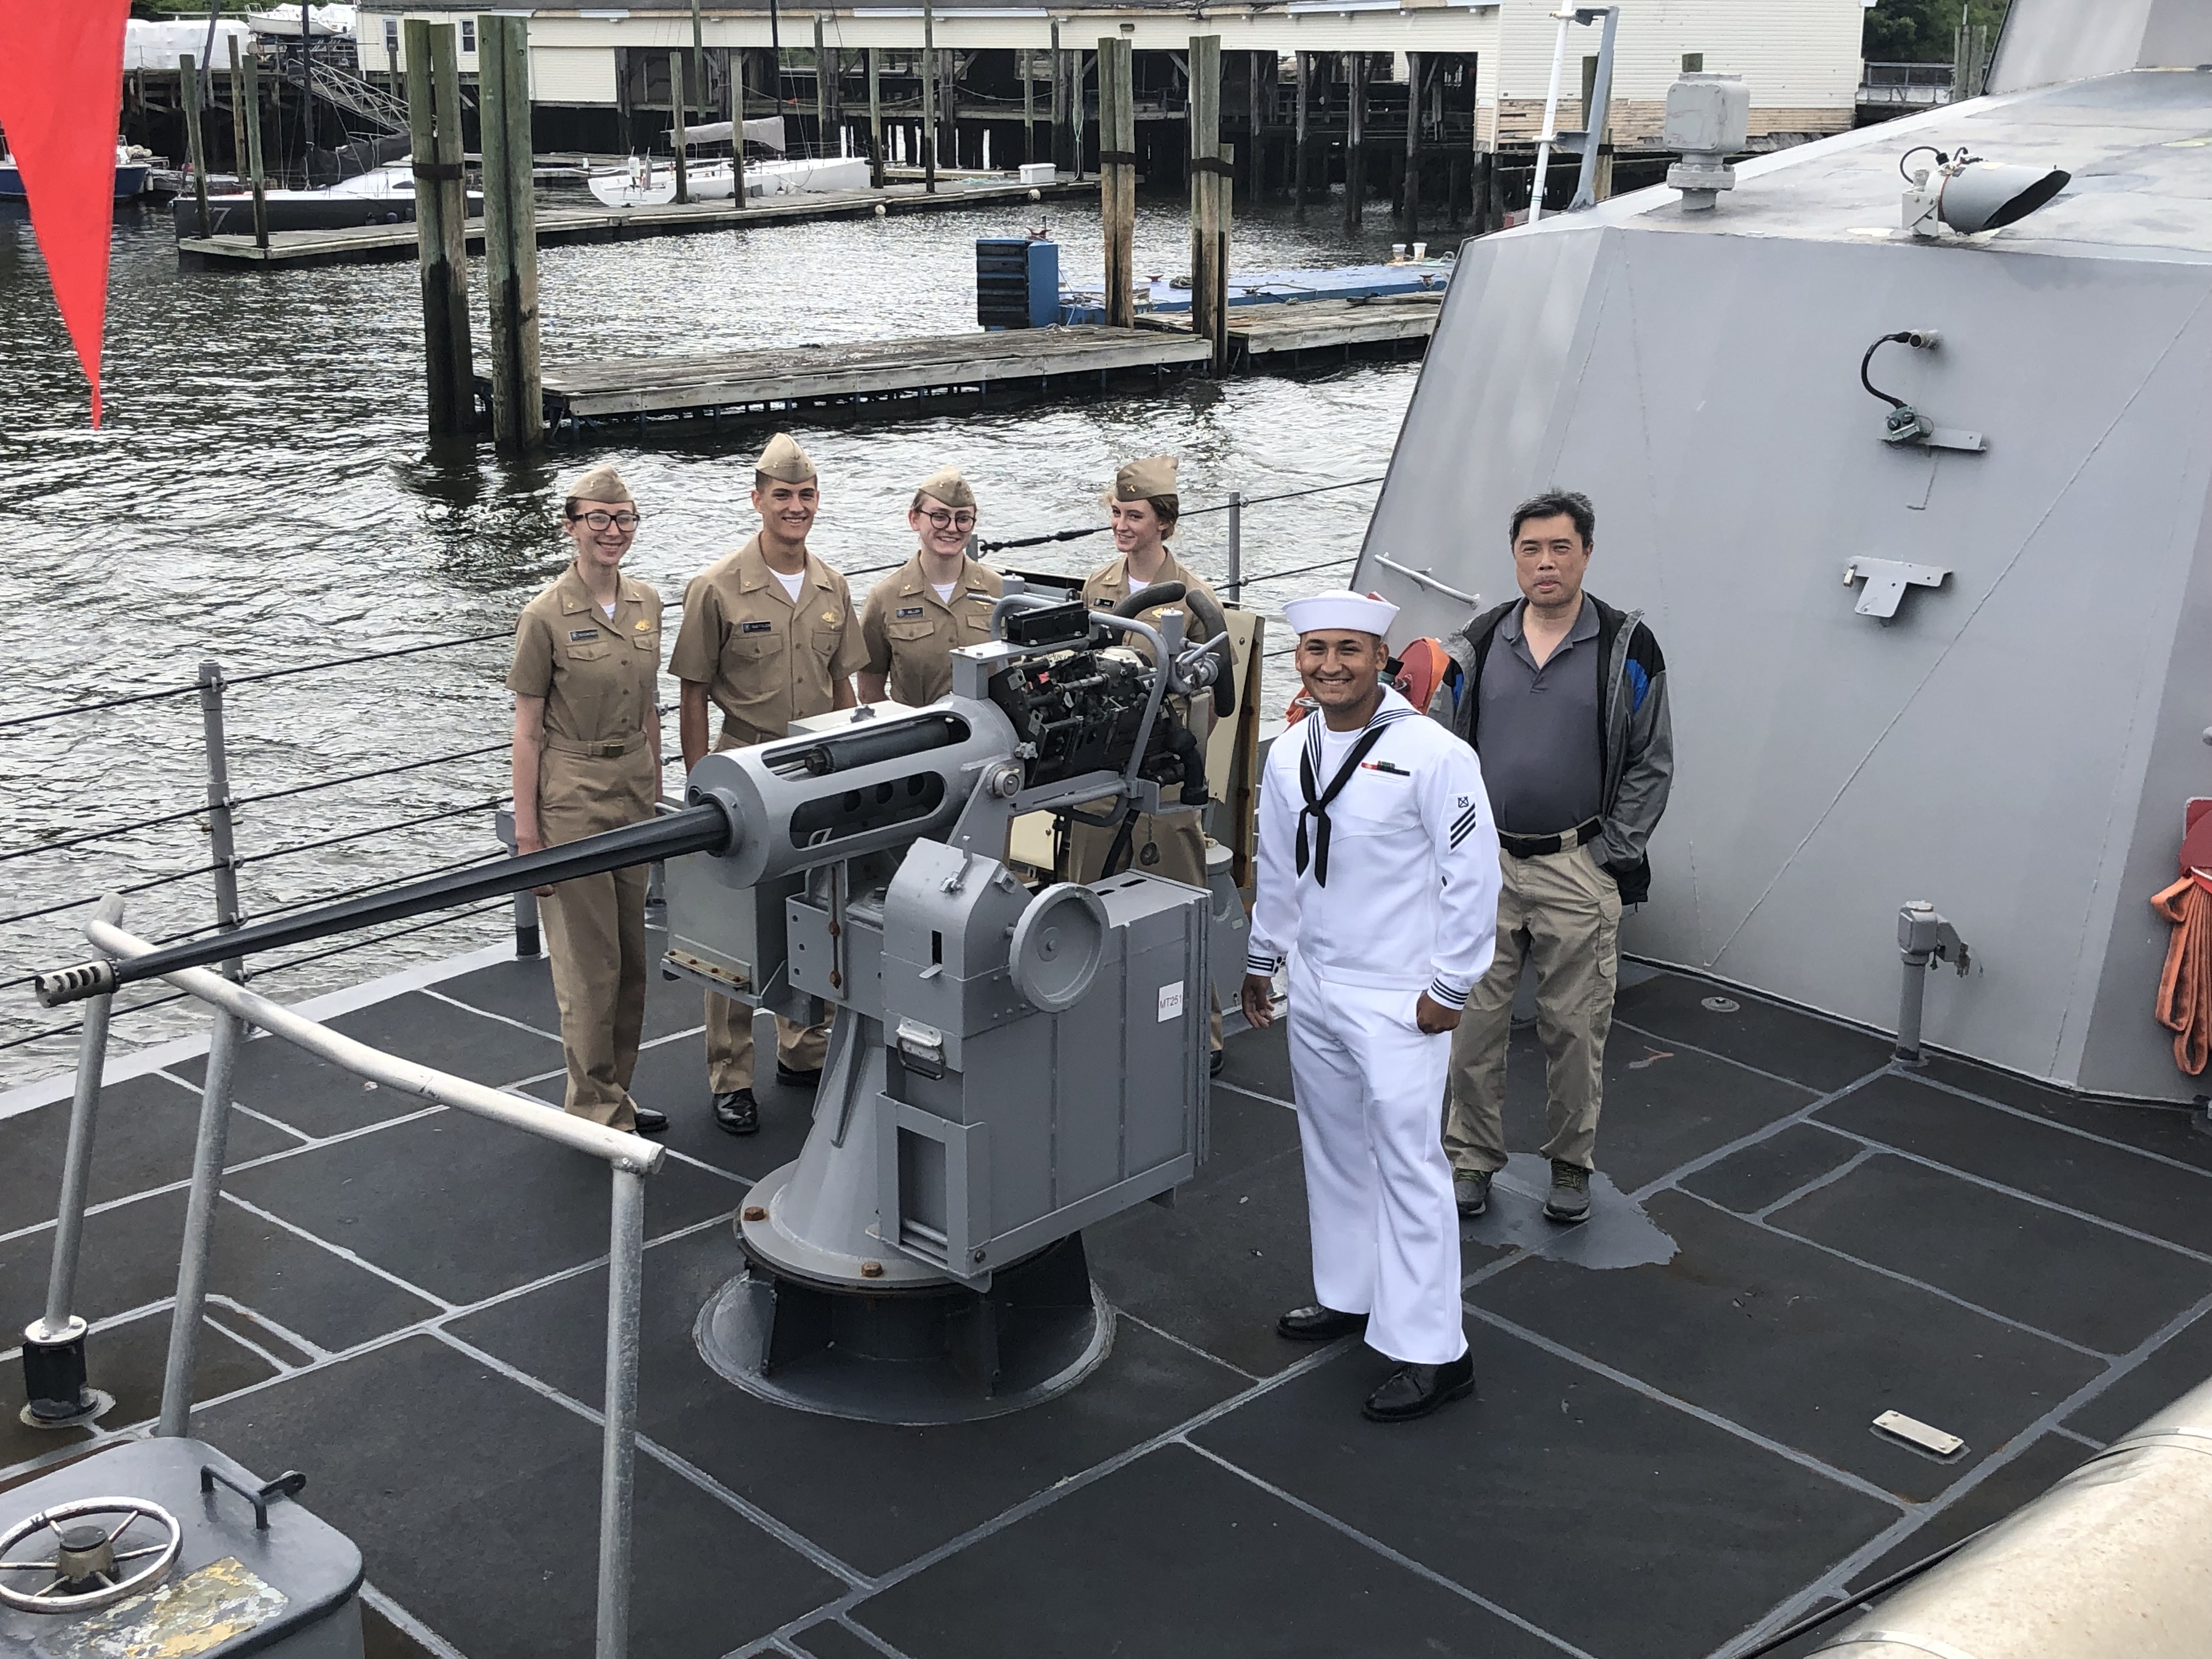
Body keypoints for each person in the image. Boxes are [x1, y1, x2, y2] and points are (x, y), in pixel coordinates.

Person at [1242, 592, 1500, 1424]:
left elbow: (1473, 876)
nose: (1330, 666)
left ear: (1380, 659)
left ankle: (1435, 1351)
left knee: (1410, 1168)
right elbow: (1278, 865)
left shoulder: (1433, 755)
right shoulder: (1289, 753)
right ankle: (1349, 1295)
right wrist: (1262, 958)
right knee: (1333, 1150)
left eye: (1348, 650)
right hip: (1317, 983)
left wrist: (1450, 988)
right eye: (1315, 650)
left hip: (1399, 997)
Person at [1428, 489, 1673, 1225]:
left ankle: (1571, 1164)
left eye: (1560, 548)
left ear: (1586, 554)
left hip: (1576, 866)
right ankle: (1471, 1158)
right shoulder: (1478, 642)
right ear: (1515, 557)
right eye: (1531, 549)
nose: (1545, 563)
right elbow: (1442, 752)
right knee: (1474, 1023)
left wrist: (1609, 855)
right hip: (1485, 867)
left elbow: (1649, 763)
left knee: (1575, 1028)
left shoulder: (1628, 646)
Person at [670, 433, 868, 1136]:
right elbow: (693, 692)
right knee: (726, 934)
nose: (795, 507)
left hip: (815, 773)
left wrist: (856, 765)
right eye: (782, 496)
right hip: (744, 767)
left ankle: (802, 1047)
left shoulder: (831, 586)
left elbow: (844, 686)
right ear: (756, 500)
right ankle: (730, 1075)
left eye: (806, 496)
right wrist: (701, 788)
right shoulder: (716, 587)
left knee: (821, 909)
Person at [507, 465, 668, 1136]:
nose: (612, 531)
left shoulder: (647, 602)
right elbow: (526, 730)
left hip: (632, 788)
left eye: (624, 518)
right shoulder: (545, 615)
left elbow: (651, 709)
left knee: (633, 960)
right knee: (587, 966)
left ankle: (616, 1093)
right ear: (571, 525)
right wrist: (528, 839)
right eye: (598, 518)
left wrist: (658, 795)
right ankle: (592, 1105)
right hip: (572, 795)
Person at [1065, 454, 1227, 1070]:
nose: (1121, 525)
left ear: (1164, 523)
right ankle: (1095, 1025)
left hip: (1162, 778)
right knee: (1087, 904)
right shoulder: (1098, 588)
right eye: (1116, 512)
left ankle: (1202, 1036)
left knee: (1181, 907)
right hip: (1101, 781)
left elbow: (1209, 702)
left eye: (1134, 514)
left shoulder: (1195, 598)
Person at [857, 466, 1002, 707]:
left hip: (992, 737)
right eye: (939, 516)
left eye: (963, 519)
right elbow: (869, 693)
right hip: (920, 739)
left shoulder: (998, 592)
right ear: (914, 519)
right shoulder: (885, 598)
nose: (952, 528)